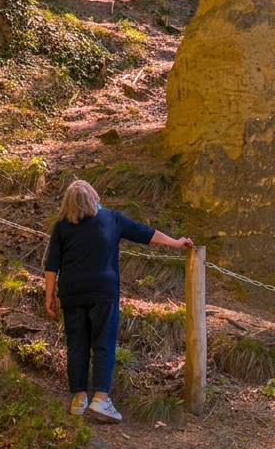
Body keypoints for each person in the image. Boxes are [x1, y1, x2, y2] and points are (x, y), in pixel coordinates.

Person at [43, 180, 193, 422]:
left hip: (71, 293)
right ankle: (101, 399)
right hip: (103, 291)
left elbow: (52, 264)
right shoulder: (111, 218)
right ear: (93, 197)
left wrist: (49, 294)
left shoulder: (61, 226)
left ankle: (79, 400)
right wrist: (175, 242)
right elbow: (144, 232)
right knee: (103, 343)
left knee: (77, 344)